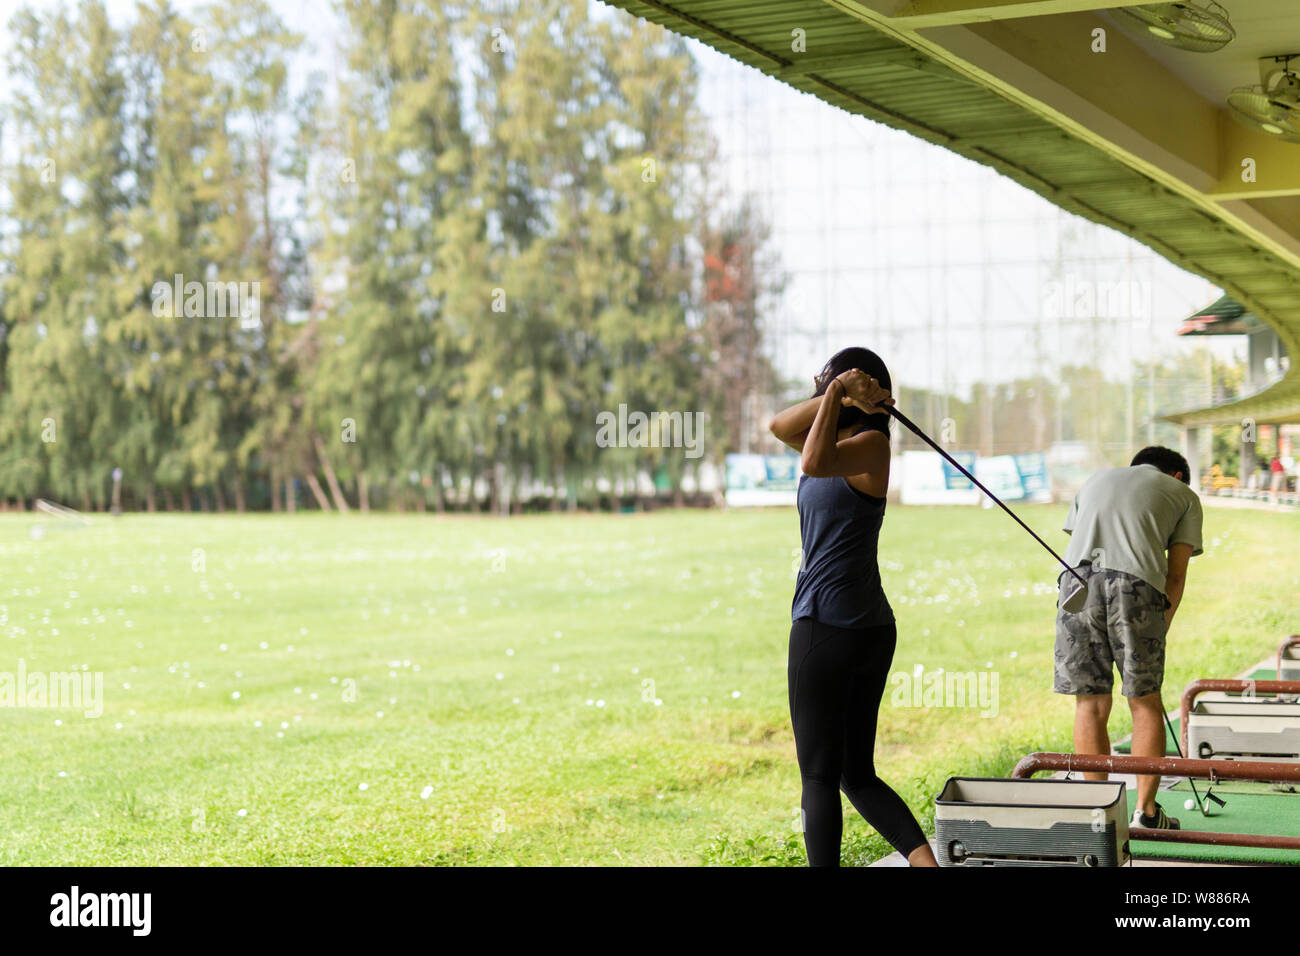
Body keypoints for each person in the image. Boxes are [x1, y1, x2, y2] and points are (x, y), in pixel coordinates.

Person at [768, 347, 938, 868]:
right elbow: (778, 425)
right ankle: (926, 865)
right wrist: (838, 390)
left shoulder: (870, 446)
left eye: (826, 383)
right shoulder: (842, 438)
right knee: (854, 774)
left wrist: (841, 391)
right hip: (867, 627)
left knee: (819, 775)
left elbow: (811, 462)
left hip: (827, 625)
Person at [1054, 446, 1203, 831]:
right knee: (1144, 701)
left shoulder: (1096, 479)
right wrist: (1161, 623)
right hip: (1136, 587)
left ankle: (1100, 813)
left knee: (1089, 703)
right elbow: (1176, 575)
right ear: (1177, 476)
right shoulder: (1183, 494)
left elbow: (1080, 534)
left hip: (1075, 584)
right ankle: (1147, 813)